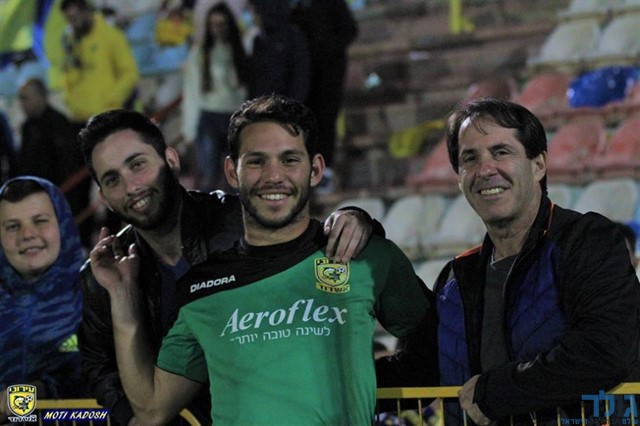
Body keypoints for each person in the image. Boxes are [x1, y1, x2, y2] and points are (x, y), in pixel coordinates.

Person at [88, 94, 431, 424]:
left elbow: (436, 345)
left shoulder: (364, 256)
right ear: (232, 172)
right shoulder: (200, 289)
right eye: (256, 161)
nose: (273, 176)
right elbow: (152, 409)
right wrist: (121, 294)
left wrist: (368, 383)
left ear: (315, 169)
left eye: (289, 159)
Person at [380, 98, 640, 424]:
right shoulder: (456, 278)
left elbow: (605, 351)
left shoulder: (587, 241)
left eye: (501, 152)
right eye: (470, 159)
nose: (485, 170)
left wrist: (496, 392)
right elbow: (418, 371)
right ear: (459, 178)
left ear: (538, 165)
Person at [0, 176, 84, 422]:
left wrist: (41, 390)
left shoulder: (99, 293)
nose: (27, 234)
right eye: (12, 226)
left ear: (63, 223)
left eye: (40, 221)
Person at [15, 78, 92, 249]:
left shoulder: (59, 124)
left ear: (41, 96)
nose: (22, 104)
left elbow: (68, 169)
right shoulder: (28, 127)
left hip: (59, 199)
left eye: (26, 98)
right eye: (20, 98)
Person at [182, 2, 249, 191]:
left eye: (222, 23)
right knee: (209, 175)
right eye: (213, 24)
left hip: (235, 116)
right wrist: (189, 129)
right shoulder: (200, 53)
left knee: (235, 176)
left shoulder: (242, 50)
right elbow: (192, 91)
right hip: (210, 115)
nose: (218, 29)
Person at [290, 0, 358, 170]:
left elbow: (349, 29)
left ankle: (324, 167)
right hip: (302, 75)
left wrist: (329, 50)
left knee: (325, 120)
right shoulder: (292, 8)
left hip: (328, 74)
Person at [59, 0, 139, 125]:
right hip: (80, 119)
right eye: (70, 19)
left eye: (76, 17)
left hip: (108, 117)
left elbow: (129, 73)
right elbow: (66, 78)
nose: (74, 23)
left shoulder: (111, 35)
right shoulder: (70, 44)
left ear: (86, 11)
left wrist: (111, 101)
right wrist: (72, 103)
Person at [246, 0, 310, 102]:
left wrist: (290, 106)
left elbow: (300, 78)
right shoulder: (258, 40)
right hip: (262, 105)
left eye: (254, 11)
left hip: (284, 105)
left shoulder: (292, 36)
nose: (252, 16)